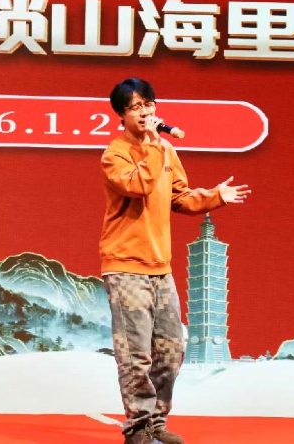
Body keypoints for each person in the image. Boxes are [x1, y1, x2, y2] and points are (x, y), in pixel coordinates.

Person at [99, 77, 251, 444]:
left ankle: (156, 421)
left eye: (149, 104)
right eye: (136, 107)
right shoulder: (115, 154)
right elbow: (139, 185)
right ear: (121, 115)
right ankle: (137, 427)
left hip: (160, 266)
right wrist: (154, 145)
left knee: (170, 351)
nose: (145, 112)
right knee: (135, 355)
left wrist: (215, 196)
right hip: (125, 265)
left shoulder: (165, 150)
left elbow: (179, 197)